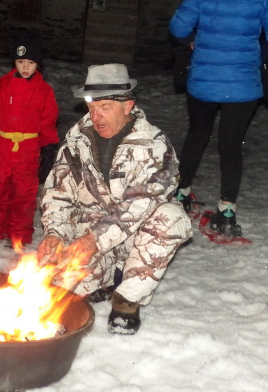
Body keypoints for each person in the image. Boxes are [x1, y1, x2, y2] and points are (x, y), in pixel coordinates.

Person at [36, 64, 192, 335]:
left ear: (127, 105)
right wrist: (54, 234)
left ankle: (126, 301)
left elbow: (139, 204)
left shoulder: (154, 145)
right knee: (54, 292)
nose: (96, 116)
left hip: (133, 235)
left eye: (105, 107)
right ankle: (105, 279)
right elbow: (58, 194)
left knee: (169, 218)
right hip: (91, 234)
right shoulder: (76, 143)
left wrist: (93, 240)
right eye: (91, 107)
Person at [169, 0, 268, 237]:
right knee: (231, 144)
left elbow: (178, 27)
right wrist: (256, 56)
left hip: (204, 81)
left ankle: (181, 194)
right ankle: (226, 210)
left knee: (197, 135)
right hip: (243, 84)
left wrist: (192, 41)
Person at [0, 33, 59, 248]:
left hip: (28, 149)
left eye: (30, 62)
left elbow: (48, 123)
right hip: (4, 147)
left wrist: (48, 151)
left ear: (38, 64)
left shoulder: (44, 91)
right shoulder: (3, 86)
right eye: (20, 62)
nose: (25, 67)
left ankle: (18, 233)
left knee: (24, 192)